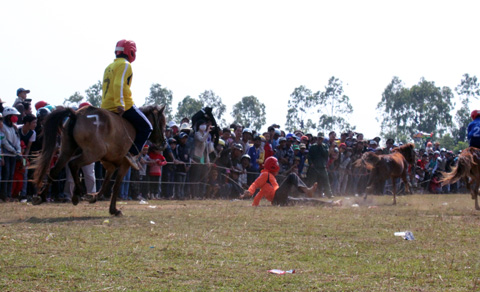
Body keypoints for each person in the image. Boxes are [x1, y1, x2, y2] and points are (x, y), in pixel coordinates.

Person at [101, 39, 152, 169]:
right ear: (131, 51)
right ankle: (132, 154)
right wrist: (120, 104)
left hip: (106, 105)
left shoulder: (109, 66)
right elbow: (118, 84)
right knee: (147, 127)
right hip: (123, 104)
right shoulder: (125, 65)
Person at [240, 156, 340, 207]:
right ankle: (307, 190)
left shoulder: (268, 178)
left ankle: (331, 204)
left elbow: (261, 192)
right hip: (278, 197)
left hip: (279, 201)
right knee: (292, 175)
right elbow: (255, 184)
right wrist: (250, 191)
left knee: (305, 201)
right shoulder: (265, 175)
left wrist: (254, 205)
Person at [307, 132, 333, 198]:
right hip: (314, 167)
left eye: (321, 138)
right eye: (319, 138)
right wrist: (311, 163)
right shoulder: (313, 147)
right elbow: (309, 156)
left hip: (322, 167)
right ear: (317, 138)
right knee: (313, 182)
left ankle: (329, 194)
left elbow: (326, 155)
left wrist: (320, 146)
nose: (320, 140)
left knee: (326, 181)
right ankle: (310, 194)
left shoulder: (325, 146)